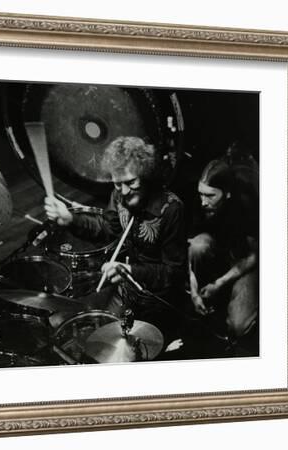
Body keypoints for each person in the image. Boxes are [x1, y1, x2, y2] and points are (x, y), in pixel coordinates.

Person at [44, 136, 187, 329]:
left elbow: (173, 272)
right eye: (117, 184)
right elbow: (108, 229)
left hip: (156, 301)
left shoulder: (171, 209)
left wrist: (130, 271)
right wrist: (70, 219)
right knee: (71, 325)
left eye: (131, 182)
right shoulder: (118, 195)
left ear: (146, 174)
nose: (124, 191)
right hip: (126, 290)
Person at [188, 144, 259, 351]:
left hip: (243, 260)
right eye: (201, 194)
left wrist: (219, 284)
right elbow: (191, 250)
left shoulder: (245, 206)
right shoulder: (198, 203)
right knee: (198, 246)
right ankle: (205, 304)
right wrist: (193, 293)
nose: (203, 202)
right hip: (217, 251)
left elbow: (254, 257)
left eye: (211, 196)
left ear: (227, 194)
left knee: (239, 325)